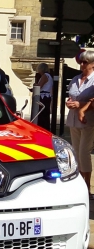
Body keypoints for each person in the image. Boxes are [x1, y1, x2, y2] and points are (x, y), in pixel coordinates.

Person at [65, 50, 94, 199]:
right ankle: (80, 186)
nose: (82, 64)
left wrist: (80, 104)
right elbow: (70, 96)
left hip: (88, 121)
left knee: (84, 152)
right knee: (76, 152)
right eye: (81, 61)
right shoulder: (76, 78)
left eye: (85, 62)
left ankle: (87, 188)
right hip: (73, 119)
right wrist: (69, 103)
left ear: (92, 64)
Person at [33, 63, 53, 131]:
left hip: (43, 97)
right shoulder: (49, 76)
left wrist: (35, 84)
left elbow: (39, 86)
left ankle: (42, 129)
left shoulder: (45, 76)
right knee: (45, 115)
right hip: (48, 96)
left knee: (42, 115)